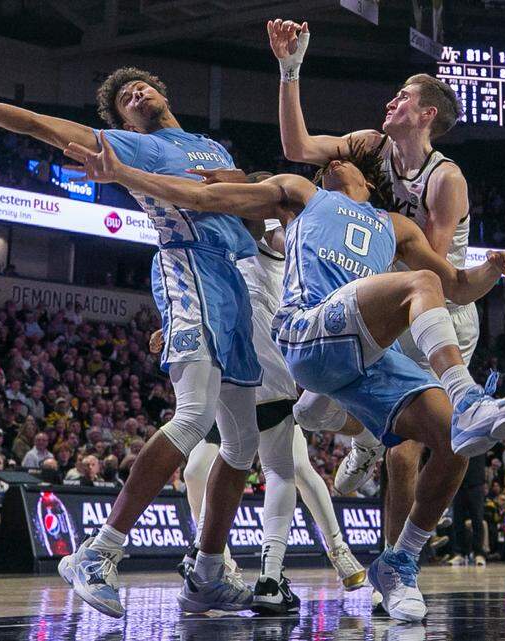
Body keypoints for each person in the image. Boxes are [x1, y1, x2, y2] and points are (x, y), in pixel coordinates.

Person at [64, 134, 505, 622]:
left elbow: (460, 287)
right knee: (419, 289)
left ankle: (398, 564)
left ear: (368, 181)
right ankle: (462, 397)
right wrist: (124, 174)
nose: (332, 163)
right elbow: (203, 198)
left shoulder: (397, 226)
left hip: (363, 353)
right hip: (306, 330)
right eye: (329, 160)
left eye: (344, 161)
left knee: (457, 445)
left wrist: (494, 265)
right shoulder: (302, 194)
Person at [0, 61, 264, 616]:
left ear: (162, 90)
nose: (136, 93)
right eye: (125, 100)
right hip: (191, 271)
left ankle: (207, 571)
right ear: (123, 125)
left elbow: (250, 209)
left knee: (243, 444)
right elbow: (35, 124)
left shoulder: (211, 146)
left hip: (236, 280)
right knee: (193, 416)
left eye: (142, 86)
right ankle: (99, 551)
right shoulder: (128, 146)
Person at [268, 19, 491, 502]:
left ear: (427, 113)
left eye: (403, 97)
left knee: (410, 446)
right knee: (308, 411)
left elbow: (426, 266)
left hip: (438, 306)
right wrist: (290, 69)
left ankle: (397, 553)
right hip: (389, 295)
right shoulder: (371, 144)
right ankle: (368, 434)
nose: (391, 101)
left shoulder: (445, 178)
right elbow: (297, 147)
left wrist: (350, 238)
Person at [146, 191, 367, 614]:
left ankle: (329, 554)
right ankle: (217, 558)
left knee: (292, 467)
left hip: (271, 371)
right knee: (202, 469)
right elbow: (206, 295)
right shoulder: (234, 247)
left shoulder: (290, 245)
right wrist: (170, 323)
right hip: (235, 372)